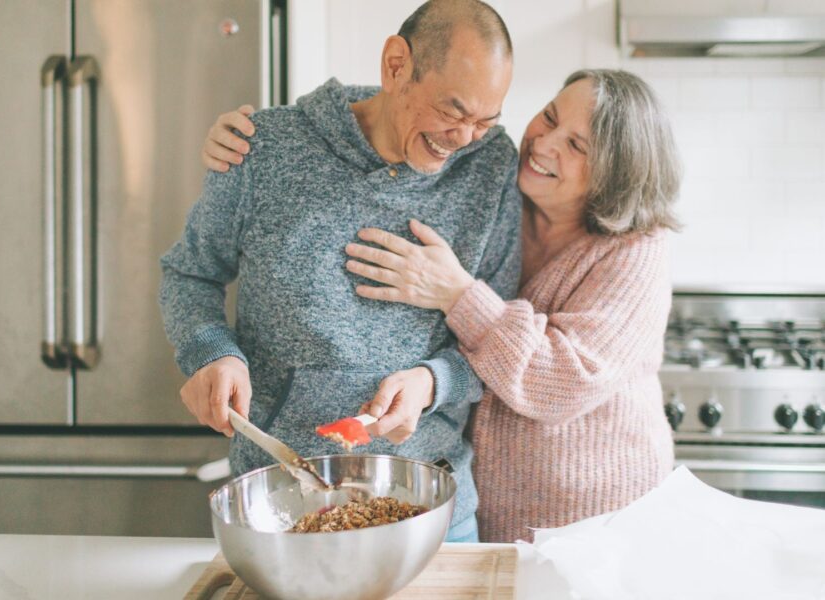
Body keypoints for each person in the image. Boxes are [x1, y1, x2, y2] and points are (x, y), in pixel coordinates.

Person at [201, 69, 682, 542]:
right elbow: (406, 113)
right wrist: (262, 135)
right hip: (490, 507)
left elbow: (561, 381)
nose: (544, 143)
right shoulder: (506, 192)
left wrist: (457, 294)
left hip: (598, 520)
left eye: (576, 145)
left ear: (617, 176)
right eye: (550, 116)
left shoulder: (636, 252)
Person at [160, 0, 522, 543]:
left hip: (432, 512)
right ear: (396, 65)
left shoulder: (490, 167)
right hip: (281, 504)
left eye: (485, 121)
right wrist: (211, 352)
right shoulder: (265, 147)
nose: (464, 138)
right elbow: (190, 274)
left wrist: (432, 382)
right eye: (453, 112)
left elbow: (496, 336)